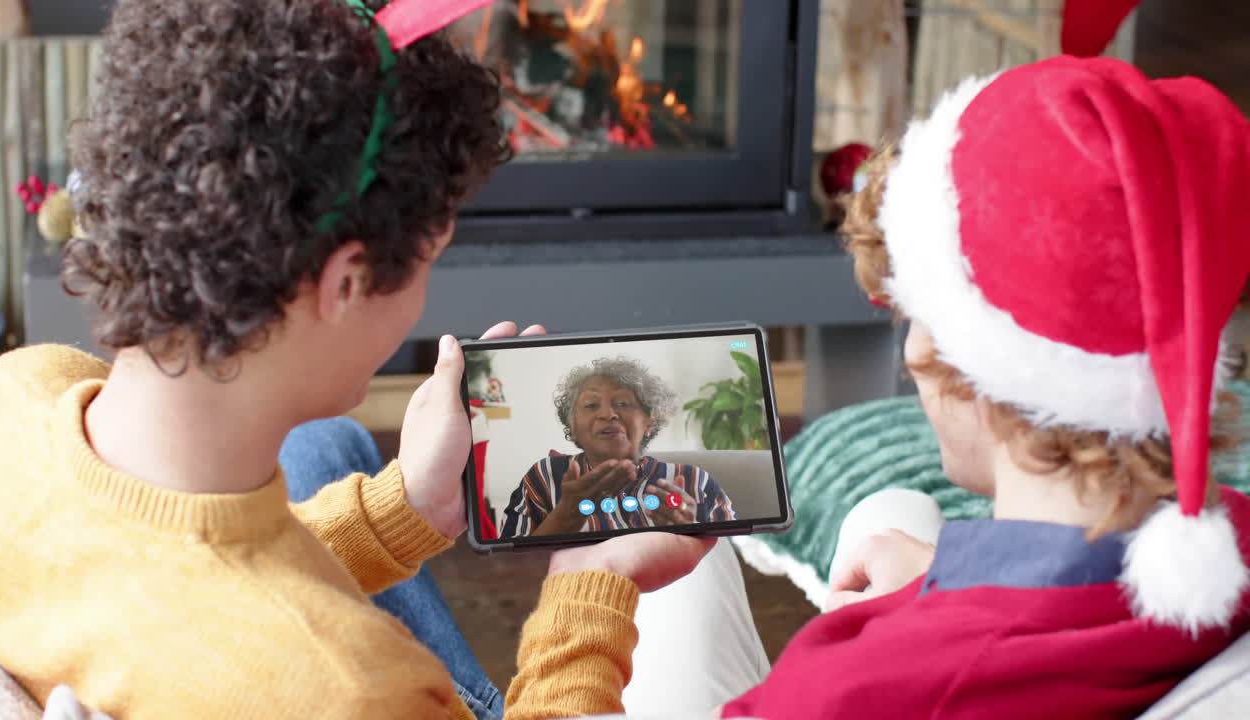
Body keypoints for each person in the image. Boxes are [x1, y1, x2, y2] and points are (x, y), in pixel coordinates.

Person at [0, 1, 715, 718]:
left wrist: (410, 508)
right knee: (702, 594)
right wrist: (590, 582)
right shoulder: (355, 690)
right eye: (433, 261)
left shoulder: (18, 393)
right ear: (347, 282)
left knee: (326, 448)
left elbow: (157, 580)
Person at [511, 55, 1250, 719]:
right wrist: (944, 579)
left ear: (940, 351)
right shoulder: (1232, 554)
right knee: (890, 511)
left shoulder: (851, 691)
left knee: (665, 583)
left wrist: (587, 585)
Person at [498, 356, 736, 538]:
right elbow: (509, 565)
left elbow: (733, 560)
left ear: (649, 422)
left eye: (622, 403)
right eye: (591, 405)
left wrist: (690, 532)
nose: (607, 414)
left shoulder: (694, 480)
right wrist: (565, 516)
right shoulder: (544, 476)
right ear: (572, 426)